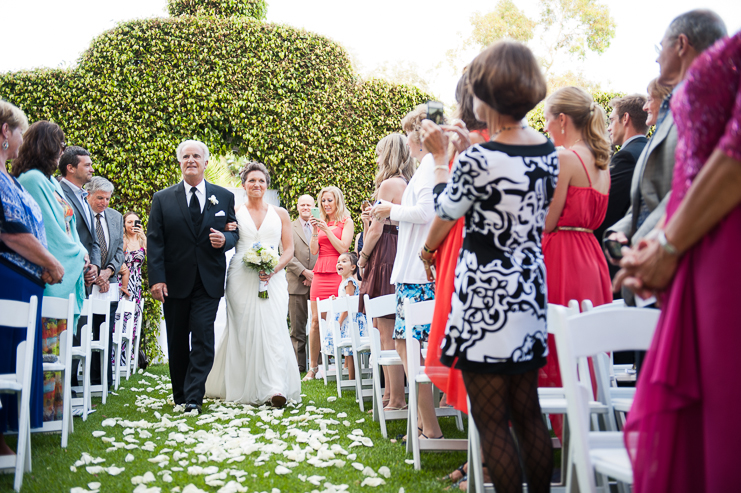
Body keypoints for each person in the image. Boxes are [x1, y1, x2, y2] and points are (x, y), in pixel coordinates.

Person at [421, 40, 556, 493]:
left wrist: (442, 160)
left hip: (485, 293)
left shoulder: (478, 158)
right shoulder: (546, 150)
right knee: (528, 411)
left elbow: (444, 211)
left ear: (488, 95)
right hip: (528, 289)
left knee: (491, 417)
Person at [615, 13, 734, 493]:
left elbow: (728, 157)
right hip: (689, 242)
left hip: (713, 241)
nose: (657, 57)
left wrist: (663, 242)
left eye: (660, 45)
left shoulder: (722, 67)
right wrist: (645, 240)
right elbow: (662, 188)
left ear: (680, 44)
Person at [540, 86, 614, 436]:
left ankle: (558, 433)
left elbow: (547, 220)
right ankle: (581, 431)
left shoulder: (565, 158)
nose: (545, 129)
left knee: (557, 340)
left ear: (563, 120)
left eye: (547, 121)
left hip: (562, 257)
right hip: (591, 258)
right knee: (586, 346)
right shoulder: (602, 164)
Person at [147, 139, 239, 414]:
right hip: (174, 281)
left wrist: (226, 239)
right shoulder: (162, 198)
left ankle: (194, 398)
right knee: (176, 340)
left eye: (196, 156)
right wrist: (156, 279)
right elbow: (155, 241)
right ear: (180, 162)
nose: (191, 160)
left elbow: (234, 232)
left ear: (206, 162)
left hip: (208, 281)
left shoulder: (223, 196)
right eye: (185, 156)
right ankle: (180, 394)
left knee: (202, 335)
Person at [423, 70, 490, 418]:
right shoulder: (520, 142)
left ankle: (483, 457)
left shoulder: (470, 146)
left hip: (463, 246)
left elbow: (446, 207)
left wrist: (427, 249)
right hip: (495, 249)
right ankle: (482, 454)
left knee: (472, 345)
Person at [206, 162, 300, 407]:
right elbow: (227, 238)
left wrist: (274, 269)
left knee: (273, 327)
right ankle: (242, 384)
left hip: (274, 277)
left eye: (261, 181)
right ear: (243, 185)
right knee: (243, 329)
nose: (257, 185)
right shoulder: (234, 212)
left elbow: (288, 249)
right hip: (241, 276)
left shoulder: (280, 214)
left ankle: (275, 387)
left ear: (267, 184)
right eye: (252, 181)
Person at [372, 105, 440, 440]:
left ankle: (429, 426)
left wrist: (390, 209)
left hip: (417, 271)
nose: (409, 141)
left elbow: (428, 211)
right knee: (403, 343)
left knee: (412, 346)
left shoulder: (428, 166)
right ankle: (420, 421)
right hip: (409, 269)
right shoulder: (425, 166)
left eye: (410, 133)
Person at [13, 120, 88, 421]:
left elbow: (64, 226)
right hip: (50, 275)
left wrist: (80, 252)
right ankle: (39, 413)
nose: (61, 150)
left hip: (66, 265)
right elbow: (49, 232)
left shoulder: (48, 181)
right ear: (44, 145)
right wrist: (76, 253)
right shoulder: (32, 179)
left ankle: (53, 411)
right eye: (58, 143)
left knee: (57, 351)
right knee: (46, 350)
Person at [0, 102, 64, 455]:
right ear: (3, 133)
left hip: (27, 284)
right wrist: (51, 261)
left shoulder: (9, 178)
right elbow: (10, 231)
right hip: (8, 281)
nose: (22, 139)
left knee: (15, 363)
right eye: (19, 131)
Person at [357, 133, 414, 411]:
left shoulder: (389, 184)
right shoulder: (407, 182)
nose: (377, 158)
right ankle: (389, 395)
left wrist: (362, 258)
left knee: (386, 328)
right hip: (398, 247)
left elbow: (377, 229)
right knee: (388, 326)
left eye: (379, 153)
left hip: (385, 253)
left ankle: (397, 399)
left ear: (388, 154)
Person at [304, 186, 354, 382]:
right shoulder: (320, 222)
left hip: (337, 273)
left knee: (338, 318)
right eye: (323, 200)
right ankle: (313, 367)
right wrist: (316, 230)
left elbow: (344, 247)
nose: (326, 204)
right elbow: (314, 250)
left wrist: (327, 230)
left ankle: (343, 364)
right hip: (320, 272)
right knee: (315, 320)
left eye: (329, 200)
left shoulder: (346, 221)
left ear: (337, 201)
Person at [596, 94, 649, 269]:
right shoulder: (649, 150)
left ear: (625, 118)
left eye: (611, 120)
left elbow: (607, 209)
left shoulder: (626, 157)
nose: (609, 128)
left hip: (621, 254)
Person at [86, 176, 124, 386]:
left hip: (108, 284)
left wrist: (108, 271)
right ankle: (77, 379)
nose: (104, 203)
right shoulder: (82, 214)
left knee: (105, 331)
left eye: (108, 199)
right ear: (89, 195)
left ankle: (103, 380)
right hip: (86, 281)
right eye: (100, 198)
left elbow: (119, 250)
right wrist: (95, 272)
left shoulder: (115, 217)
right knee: (84, 331)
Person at [322, 252, 367, 380]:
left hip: (349, 320)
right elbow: (344, 299)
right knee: (348, 351)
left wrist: (339, 322)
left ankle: (352, 380)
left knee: (350, 350)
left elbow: (349, 304)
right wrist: (337, 299)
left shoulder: (349, 282)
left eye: (343, 261)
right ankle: (350, 377)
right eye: (338, 262)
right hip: (346, 319)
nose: (339, 264)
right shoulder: (345, 282)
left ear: (353, 267)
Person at [59, 146, 100, 287]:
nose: (92, 170)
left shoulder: (84, 197)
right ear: (70, 168)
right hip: (67, 275)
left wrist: (94, 266)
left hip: (85, 278)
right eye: (87, 165)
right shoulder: (58, 194)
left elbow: (93, 238)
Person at [286, 194, 318, 372]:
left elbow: (325, 251)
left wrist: (315, 275)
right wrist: (305, 273)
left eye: (309, 205)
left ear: (314, 207)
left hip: (318, 283)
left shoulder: (321, 226)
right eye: (302, 205)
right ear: (297, 207)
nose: (306, 207)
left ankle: (319, 364)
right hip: (296, 282)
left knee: (318, 323)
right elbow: (286, 253)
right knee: (297, 327)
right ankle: (298, 365)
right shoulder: (289, 227)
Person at [118, 211, 146, 365]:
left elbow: (152, 256)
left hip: (137, 285)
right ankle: (117, 358)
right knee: (120, 320)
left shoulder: (142, 242)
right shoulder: (123, 241)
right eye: (129, 222)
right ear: (124, 224)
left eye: (135, 222)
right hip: (124, 283)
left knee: (133, 321)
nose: (132, 225)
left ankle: (129, 359)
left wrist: (143, 236)